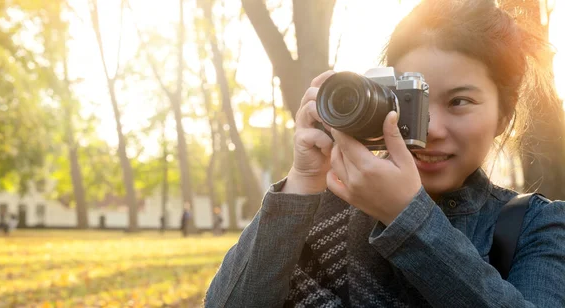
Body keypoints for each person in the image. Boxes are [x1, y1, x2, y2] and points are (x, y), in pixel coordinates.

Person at [205, 0, 565, 307]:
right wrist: (302, 181)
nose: (431, 129)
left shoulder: (538, 226)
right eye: (412, 103)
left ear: (504, 115)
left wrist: (407, 220)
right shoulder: (318, 205)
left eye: (460, 101)